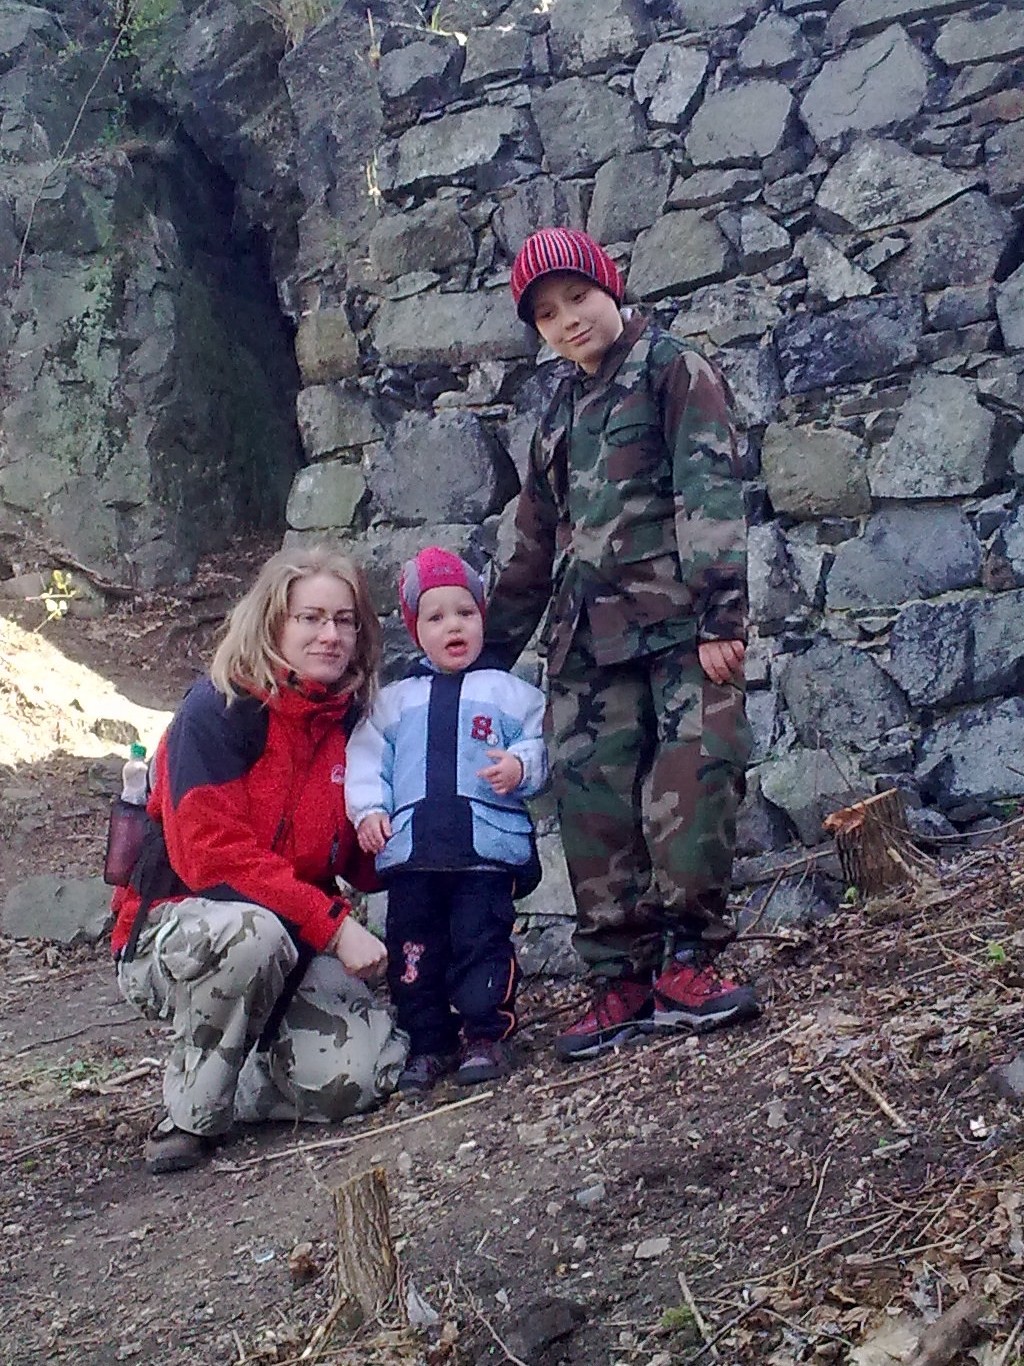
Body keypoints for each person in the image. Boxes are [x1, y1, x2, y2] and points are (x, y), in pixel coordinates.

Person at [486, 226, 759, 1063]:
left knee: (694, 784)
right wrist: (484, 658)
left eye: (578, 297)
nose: (568, 320)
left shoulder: (675, 369)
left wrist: (721, 617)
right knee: (591, 808)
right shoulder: (557, 413)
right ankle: (622, 980)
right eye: (547, 314)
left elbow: (709, 490)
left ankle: (688, 963)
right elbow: (531, 542)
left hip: (680, 634)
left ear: (611, 286)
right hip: (585, 646)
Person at [109, 545, 408, 1174]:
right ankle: (190, 1117)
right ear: (273, 623)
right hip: (178, 927)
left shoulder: (351, 724)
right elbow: (210, 858)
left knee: (358, 1078)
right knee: (252, 934)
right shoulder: (216, 711)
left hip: (292, 936)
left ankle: (241, 1068)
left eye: (345, 621)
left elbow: (358, 859)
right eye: (310, 618)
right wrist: (336, 928)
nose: (330, 635)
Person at [345, 547, 546, 1093]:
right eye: (435, 617)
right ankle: (428, 1042)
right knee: (414, 951)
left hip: (485, 853)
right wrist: (369, 810)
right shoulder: (392, 704)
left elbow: (538, 741)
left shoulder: (510, 693)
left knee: (483, 942)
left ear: (482, 618)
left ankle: (486, 1034)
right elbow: (366, 761)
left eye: (465, 613)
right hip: (414, 856)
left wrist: (520, 765)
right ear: (415, 630)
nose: (453, 626)